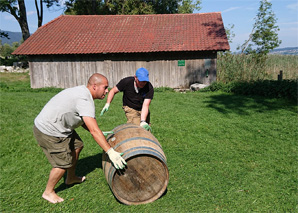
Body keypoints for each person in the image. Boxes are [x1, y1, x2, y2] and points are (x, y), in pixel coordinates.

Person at [33, 73, 126, 204]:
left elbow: (83, 120)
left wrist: (99, 132)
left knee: (77, 146)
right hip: (49, 130)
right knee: (62, 163)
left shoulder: (83, 93)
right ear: (94, 86)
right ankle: (48, 192)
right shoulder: (85, 100)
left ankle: (70, 178)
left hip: (60, 127)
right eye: (105, 87)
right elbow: (94, 131)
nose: (107, 91)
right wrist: (110, 152)